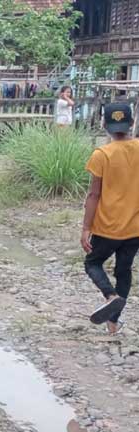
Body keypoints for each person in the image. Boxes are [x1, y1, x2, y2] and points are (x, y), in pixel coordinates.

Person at [82, 102, 139, 335]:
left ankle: (110, 295)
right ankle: (113, 324)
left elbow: (94, 194)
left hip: (107, 227)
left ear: (104, 124)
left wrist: (86, 227)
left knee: (92, 263)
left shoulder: (102, 154)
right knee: (124, 272)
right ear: (131, 123)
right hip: (135, 228)